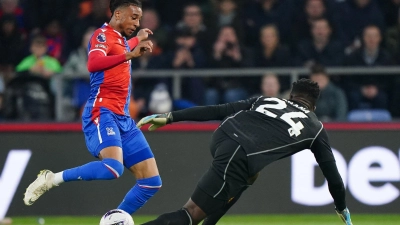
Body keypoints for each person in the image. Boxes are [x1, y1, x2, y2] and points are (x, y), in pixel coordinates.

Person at [137, 78, 353, 225]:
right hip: (240, 153)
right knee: (190, 213)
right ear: (314, 106)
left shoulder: (266, 100)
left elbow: (219, 110)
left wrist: (172, 116)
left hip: (222, 136)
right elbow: (333, 178)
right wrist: (342, 208)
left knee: (249, 175)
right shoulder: (315, 128)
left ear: (290, 96)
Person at [23, 0, 162, 217]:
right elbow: (94, 63)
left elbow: (121, 47)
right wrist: (130, 54)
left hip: (123, 117)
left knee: (151, 182)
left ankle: (113, 221)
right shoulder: (101, 35)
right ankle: (52, 179)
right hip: (102, 112)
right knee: (112, 168)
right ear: (117, 14)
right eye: (133, 17)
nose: (136, 22)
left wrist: (136, 39)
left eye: (139, 18)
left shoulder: (119, 39)